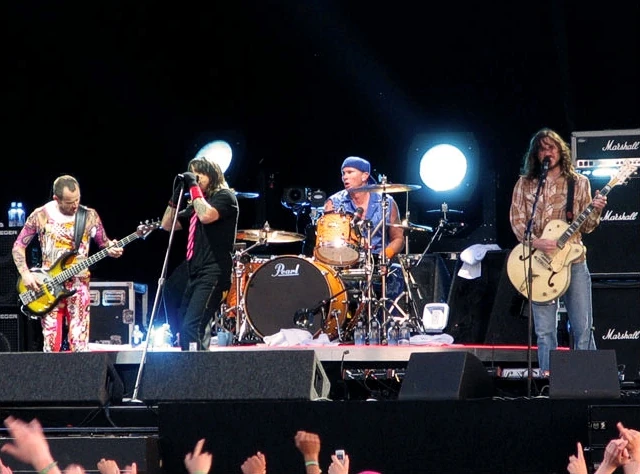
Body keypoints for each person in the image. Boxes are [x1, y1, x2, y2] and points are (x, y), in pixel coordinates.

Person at [509, 128, 607, 375]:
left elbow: (588, 226)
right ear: (535, 154)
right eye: (542, 149)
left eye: (551, 147)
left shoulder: (579, 182)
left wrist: (596, 209)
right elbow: (518, 221)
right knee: (544, 331)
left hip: (573, 261)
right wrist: (537, 242)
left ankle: (588, 379)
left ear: (560, 151)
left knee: (583, 327)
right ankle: (548, 381)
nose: (547, 153)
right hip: (539, 263)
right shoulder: (525, 183)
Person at [11, 175, 123, 352]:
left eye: (78, 199)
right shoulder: (41, 215)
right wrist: (25, 273)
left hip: (79, 286)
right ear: (56, 199)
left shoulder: (89, 216)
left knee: (79, 346)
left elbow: (104, 242)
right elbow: (18, 246)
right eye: (70, 202)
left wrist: (112, 248)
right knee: (51, 345)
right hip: (48, 287)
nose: (75, 205)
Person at [162, 157, 239, 350]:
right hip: (195, 271)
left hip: (214, 271)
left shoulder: (225, 197)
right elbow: (167, 224)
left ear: (212, 175)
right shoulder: (196, 205)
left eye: (200, 174)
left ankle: (196, 367)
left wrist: (194, 187)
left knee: (191, 326)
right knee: (183, 324)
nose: (195, 178)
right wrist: (175, 197)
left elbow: (206, 216)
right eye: (193, 174)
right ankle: (193, 362)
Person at [324, 157, 405, 329]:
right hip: (346, 262)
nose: (345, 177)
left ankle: (390, 326)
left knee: (396, 272)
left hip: (378, 260)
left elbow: (398, 238)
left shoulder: (386, 202)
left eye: (350, 172)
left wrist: (386, 256)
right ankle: (341, 327)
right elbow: (328, 239)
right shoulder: (334, 202)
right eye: (343, 173)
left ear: (365, 175)